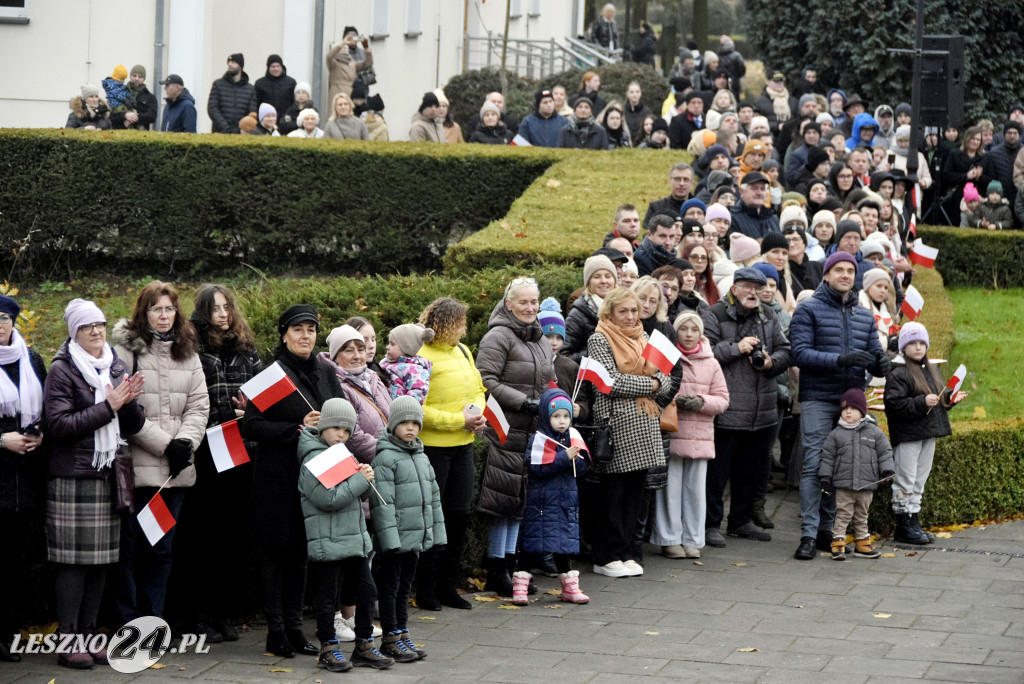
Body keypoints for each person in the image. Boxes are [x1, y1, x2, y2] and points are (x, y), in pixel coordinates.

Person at [44, 299, 145, 669]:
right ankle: (67, 638)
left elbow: (131, 425)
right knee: (73, 564)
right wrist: (109, 405)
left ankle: (88, 634)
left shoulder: (114, 365)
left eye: (100, 324)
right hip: (73, 477)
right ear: (74, 332)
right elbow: (58, 425)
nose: (96, 332)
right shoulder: (63, 370)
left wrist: (129, 401)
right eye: (87, 327)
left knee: (101, 562)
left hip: (109, 474)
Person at [241, 304, 341, 658]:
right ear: (284, 335)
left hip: (315, 477)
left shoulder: (326, 371)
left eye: (311, 330)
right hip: (276, 477)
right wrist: (298, 427)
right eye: (298, 329)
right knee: (274, 553)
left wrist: (330, 426)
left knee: (301, 553)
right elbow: (250, 426)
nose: (305, 336)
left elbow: (343, 416)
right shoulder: (272, 375)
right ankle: (276, 630)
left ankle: (297, 629)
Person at [109, 282, 208, 625]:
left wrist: (185, 444)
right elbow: (125, 410)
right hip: (138, 471)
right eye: (156, 309)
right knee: (130, 551)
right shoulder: (125, 353)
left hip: (174, 473)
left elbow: (199, 406)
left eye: (169, 309)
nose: (164, 316)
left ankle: (153, 623)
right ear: (143, 312)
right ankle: (127, 622)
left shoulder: (189, 352)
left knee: (161, 551)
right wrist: (166, 445)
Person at [170, 285, 262, 644]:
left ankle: (226, 613)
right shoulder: (192, 348)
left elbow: (260, 395)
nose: (222, 314)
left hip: (241, 446)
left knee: (233, 535)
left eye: (226, 307)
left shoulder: (247, 349)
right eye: (215, 308)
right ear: (202, 312)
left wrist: (249, 409)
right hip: (207, 447)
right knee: (203, 535)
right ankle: (202, 613)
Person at [789, 253, 890, 561]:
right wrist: (839, 360)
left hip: (852, 400)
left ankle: (830, 532)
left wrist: (882, 363)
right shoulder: (808, 309)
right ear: (826, 275)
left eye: (850, 271)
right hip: (819, 396)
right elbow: (800, 353)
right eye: (839, 270)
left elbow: (873, 353)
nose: (845, 275)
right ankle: (808, 533)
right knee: (814, 465)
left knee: (843, 469)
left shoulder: (863, 315)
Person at [296, 398, 392, 671]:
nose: (342, 434)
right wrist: (359, 481)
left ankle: (363, 645)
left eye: (347, 430)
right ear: (323, 426)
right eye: (336, 428)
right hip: (327, 540)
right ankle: (328, 647)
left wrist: (364, 478)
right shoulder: (313, 458)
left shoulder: (342, 454)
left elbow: (352, 495)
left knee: (366, 590)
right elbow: (328, 499)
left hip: (352, 537)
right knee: (327, 596)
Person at [586, 288, 674, 578]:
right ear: (609, 313)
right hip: (617, 424)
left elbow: (666, 377)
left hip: (645, 422)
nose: (630, 316)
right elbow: (609, 383)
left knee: (635, 492)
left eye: (634, 310)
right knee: (613, 492)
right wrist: (649, 385)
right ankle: (605, 555)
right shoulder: (599, 338)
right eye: (623, 311)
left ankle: (625, 551)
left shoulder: (644, 337)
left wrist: (655, 382)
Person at [701, 268, 791, 548]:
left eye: (759, 286)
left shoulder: (769, 315)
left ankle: (740, 522)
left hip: (762, 409)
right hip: (727, 409)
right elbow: (706, 353)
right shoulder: (715, 314)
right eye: (748, 286)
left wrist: (770, 362)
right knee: (717, 474)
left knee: (749, 472)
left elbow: (786, 350)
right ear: (735, 288)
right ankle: (711, 525)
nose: (754, 292)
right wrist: (736, 347)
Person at [475, 277, 553, 595]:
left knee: (519, 502)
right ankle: (497, 569)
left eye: (534, 302)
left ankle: (511, 564)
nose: (530, 308)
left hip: (532, 432)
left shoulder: (541, 340)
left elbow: (549, 379)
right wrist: (524, 402)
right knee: (502, 502)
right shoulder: (498, 336)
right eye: (523, 302)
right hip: (504, 429)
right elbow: (486, 379)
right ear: (509, 304)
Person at [412, 298, 486, 611]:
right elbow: (416, 408)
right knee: (432, 518)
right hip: (433, 448)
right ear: (444, 324)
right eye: (459, 324)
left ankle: (448, 586)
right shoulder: (419, 355)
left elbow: (478, 390)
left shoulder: (464, 351)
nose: (463, 329)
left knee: (458, 516)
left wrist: (478, 414)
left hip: (463, 446)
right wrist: (459, 420)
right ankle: (425, 588)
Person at [369, 396, 444, 662]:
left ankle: (402, 632)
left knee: (404, 587)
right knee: (390, 588)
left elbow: (433, 498)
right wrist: (390, 540)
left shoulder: (421, 456)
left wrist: (436, 534)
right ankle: (390, 636)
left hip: (415, 537)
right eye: (404, 423)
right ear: (393, 425)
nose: (410, 428)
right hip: (395, 540)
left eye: (415, 423)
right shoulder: (386, 457)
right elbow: (382, 503)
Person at [653, 311, 728, 559]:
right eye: (683, 329)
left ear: (700, 333)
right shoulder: (667, 358)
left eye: (693, 329)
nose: (688, 334)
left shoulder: (712, 362)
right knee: (670, 489)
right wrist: (676, 400)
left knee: (696, 491)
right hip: (673, 433)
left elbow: (722, 400)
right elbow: (657, 389)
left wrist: (701, 401)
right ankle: (670, 539)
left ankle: (693, 538)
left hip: (700, 437)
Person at [0, 295, 47, 663]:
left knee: (17, 561)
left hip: (27, 478)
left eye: (4, 318)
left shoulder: (31, 360)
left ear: (14, 321)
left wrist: (41, 433)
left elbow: (49, 408)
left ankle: (10, 632)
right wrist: (1, 439)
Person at [885, 322, 958, 545]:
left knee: (920, 478)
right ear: (903, 346)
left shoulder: (932, 369)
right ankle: (902, 522)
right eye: (913, 343)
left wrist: (949, 400)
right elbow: (894, 404)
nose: (918, 347)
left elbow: (937, 400)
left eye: (922, 343)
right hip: (908, 434)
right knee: (905, 478)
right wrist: (920, 401)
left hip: (928, 433)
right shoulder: (898, 373)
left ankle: (914, 518)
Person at [518, 388, 591, 604]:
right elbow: (537, 467)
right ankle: (520, 587)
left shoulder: (573, 438)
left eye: (566, 416)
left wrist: (576, 459)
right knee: (532, 545)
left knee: (563, 545)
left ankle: (569, 588)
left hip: (565, 503)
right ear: (545, 416)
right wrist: (563, 458)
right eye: (556, 416)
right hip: (541, 502)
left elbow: (584, 467)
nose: (562, 421)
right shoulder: (538, 439)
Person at [818, 389, 894, 560]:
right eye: (845, 409)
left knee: (862, 515)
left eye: (853, 408)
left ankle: (862, 543)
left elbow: (885, 452)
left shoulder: (874, 432)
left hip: (866, 484)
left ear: (862, 411)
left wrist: (888, 470)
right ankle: (838, 543)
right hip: (844, 484)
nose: (848, 412)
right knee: (843, 514)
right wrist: (825, 477)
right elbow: (828, 457)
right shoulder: (836, 434)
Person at [317, 325, 391, 465]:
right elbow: (352, 436)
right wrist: (388, 453)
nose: (357, 356)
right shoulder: (337, 386)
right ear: (335, 356)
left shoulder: (374, 378)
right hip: (370, 465)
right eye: (349, 351)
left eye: (361, 350)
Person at [380, 323, 434, 404]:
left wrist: (403, 406)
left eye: (392, 344)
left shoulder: (415, 370)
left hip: (400, 411)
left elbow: (418, 393)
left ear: (406, 348)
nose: (387, 347)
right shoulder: (386, 362)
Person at [208, 53, 257, 134]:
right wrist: (225, 127)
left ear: (240, 66)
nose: (230, 65)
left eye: (233, 63)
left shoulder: (250, 89)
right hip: (220, 132)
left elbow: (251, 112)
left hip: (241, 134)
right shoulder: (218, 84)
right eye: (229, 62)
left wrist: (241, 128)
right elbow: (212, 108)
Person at [326, 29, 373, 105]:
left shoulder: (352, 63)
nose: (345, 47)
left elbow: (368, 63)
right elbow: (329, 56)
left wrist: (366, 48)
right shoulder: (334, 62)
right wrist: (343, 42)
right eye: (343, 47)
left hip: (350, 96)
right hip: (337, 94)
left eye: (346, 47)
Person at [728, 172, 780, 240]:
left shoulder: (774, 219)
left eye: (763, 189)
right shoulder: (731, 218)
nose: (759, 193)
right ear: (742, 191)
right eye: (754, 188)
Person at [111, 65, 157, 130]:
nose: (136, 79)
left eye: (140, 77)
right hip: (121, 133)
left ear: (144, 79)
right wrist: (125, 115)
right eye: (134, 76)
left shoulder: (150, 97)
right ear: (130, 76)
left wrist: (135, 117)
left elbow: (152, 116)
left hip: (142, 136)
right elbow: (111, 116)